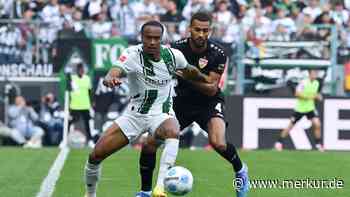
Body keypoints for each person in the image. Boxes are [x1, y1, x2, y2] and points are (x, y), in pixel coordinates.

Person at [84, 20, 210, 197]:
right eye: (148, 38)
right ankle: (90, 194)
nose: (152, 42)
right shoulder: (132, 54)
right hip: (134, 116)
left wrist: (204, 78)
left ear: (162, 39)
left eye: (156, 38)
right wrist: (109, 79)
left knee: (173, 129)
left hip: (161, 114)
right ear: (141, 38)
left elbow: (190, 70)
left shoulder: (174, 56)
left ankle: (160, 189)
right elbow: (114, 71)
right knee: (95, 156)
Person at [137, 12, 249, 197]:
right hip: (181, 102)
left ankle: (240, 170)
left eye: (205, 30)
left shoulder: (218, 54)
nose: (201, 34)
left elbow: (211, 89)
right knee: (149, 144)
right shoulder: (176, 49)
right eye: (197, 29)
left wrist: (186, 76)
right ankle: (145, 192)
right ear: (190, 29)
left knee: (218, 143)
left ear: (210, 31)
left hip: (209, 103)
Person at [275, 69, 323, 151]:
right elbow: (297, 94)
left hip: (310, 108)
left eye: (316, 73)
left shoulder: (316, 83)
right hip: (300, 109)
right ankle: (279, 142)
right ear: (309, 74)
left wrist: (319, 96)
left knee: (317, 124)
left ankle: (318, 145)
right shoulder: (304, 82)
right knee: (290, 126)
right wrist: (309, 97)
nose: (315, 74)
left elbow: (316, 94)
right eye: (313, 73)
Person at [69, 62, 97, 148]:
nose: (81, 71)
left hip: (85, 105)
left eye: (82, 69)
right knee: (70, 122)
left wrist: (92, 102)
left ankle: (90, 140)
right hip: (75, 105)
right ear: (77, 70)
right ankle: (63, 140)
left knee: (87, 124)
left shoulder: (87, 78)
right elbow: (68, 90)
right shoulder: (72, 78)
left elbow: (89, 92)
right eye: (79, 69)